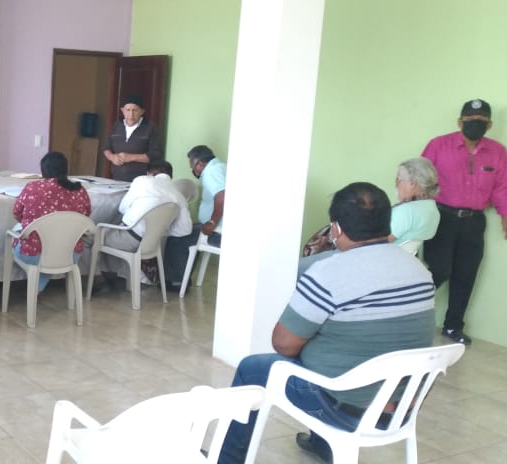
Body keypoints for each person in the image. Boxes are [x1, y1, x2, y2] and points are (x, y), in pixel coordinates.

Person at [218, 182, 435, 464]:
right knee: (332, 351)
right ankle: (324, 445)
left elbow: (283, 345)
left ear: (336, 229)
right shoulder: (419, 271)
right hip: (401, 408)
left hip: (344, 410)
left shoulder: (327, 272)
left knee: (254, 368)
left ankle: (227, 459)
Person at [421, 98, 507, 345]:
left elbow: (502, 188)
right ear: (460, 122)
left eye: (481, 121)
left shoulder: (498, 152)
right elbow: (422, 178)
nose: (475, 124)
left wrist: (505, 216)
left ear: (489, 125)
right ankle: (408, 316)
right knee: (438, 270)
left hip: (474, 222)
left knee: (466, 275)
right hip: (442, 218)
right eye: (470, 120)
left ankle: (453, 327)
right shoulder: (438, 145)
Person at [297, 157, 441, 275]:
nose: (396, 185)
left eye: (398, 180)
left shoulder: (407, 212)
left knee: (301, 267)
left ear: (412, 184)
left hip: (367, 259)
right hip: (393, 262)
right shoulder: (432, 210)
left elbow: (375, 242)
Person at [95, 160, 192, 291]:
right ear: (171, 176)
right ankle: (117, 274)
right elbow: (185, 230)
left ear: (149, 173)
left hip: (130, 239)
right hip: (153, 245)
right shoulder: (178, 196)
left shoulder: (142, 181)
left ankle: (96, 280)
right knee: (114, 233)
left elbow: (122, 208)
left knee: (92, 235)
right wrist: (159, 229)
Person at [13, 151, 91, 292]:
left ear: (43, 171)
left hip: (33, 253)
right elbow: (85, 216)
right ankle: (38, 286)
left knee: (15, 232)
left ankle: (36, 286)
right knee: (53, 246)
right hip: (70, 254)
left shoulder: (32, 188)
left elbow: (17, 213)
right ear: (66, 169)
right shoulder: (80, 190)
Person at [162, 145, 226, 290]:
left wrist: (212, 222)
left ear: (201, 163)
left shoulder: (212, 172)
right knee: (189, 231)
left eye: (193, 166)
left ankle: (175, 282)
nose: (192, 170)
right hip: (221, 228)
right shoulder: (221, 167)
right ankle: (182, 278)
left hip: (218, 232)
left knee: (179, 235)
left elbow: (222, 196)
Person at [102, 94, 164, 182]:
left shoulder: (150, 127)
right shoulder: (117, 125)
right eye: (128, 110)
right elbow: (106, 147)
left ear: (142, 111)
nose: (131, 115)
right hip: (117, 178)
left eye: (135, 110)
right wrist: (112, 157)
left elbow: (156, 155)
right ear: (122, 110)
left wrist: (131, 157)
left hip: (141, 180)